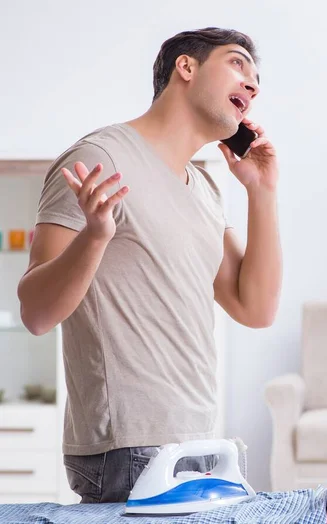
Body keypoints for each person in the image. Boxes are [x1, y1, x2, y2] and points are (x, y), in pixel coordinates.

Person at [17, 27, 282, 503]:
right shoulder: (99, 158)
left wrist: (262, 192)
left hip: (199, 437)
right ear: (186, 66)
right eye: (238, 63)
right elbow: (35, 313)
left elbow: (255, 308)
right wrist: (96, 235)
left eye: (257, 77)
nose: (253, 84)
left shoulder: (204, 188)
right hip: (126, 447)